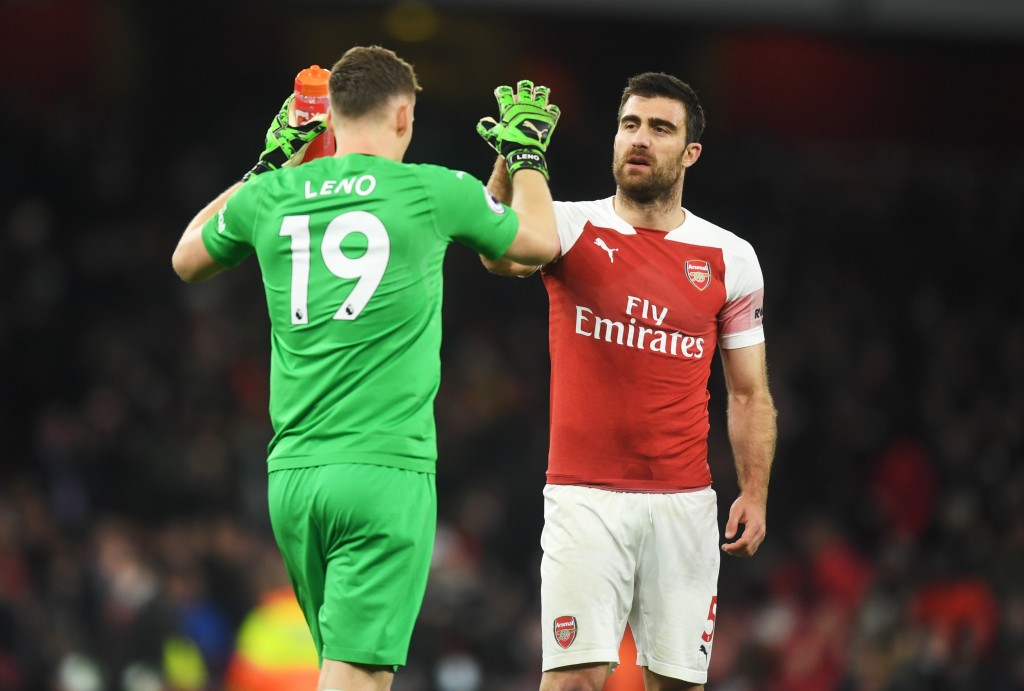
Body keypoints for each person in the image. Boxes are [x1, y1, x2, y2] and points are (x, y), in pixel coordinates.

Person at [172, 45, 561, 691]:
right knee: (357, 679)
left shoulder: (272, 194)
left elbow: (187, 256)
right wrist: (525, 156)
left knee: (339, 668)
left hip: (293, 479)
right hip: (382, 472)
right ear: (403, 115)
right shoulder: (435, 189)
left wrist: (271, 160)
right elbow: (538, 243)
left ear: (329, 122)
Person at [479, 72, 777, 691]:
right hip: (583, 499)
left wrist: (754, 490)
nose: (640, 140)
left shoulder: (731, 257)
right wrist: (512, 160)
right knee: (574, 680)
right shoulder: (568, 226)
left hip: (684, 505)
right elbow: (495, 251)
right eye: (630, 125)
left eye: (660, 129)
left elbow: (749, 392)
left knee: (676, 685)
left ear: (690, 152)